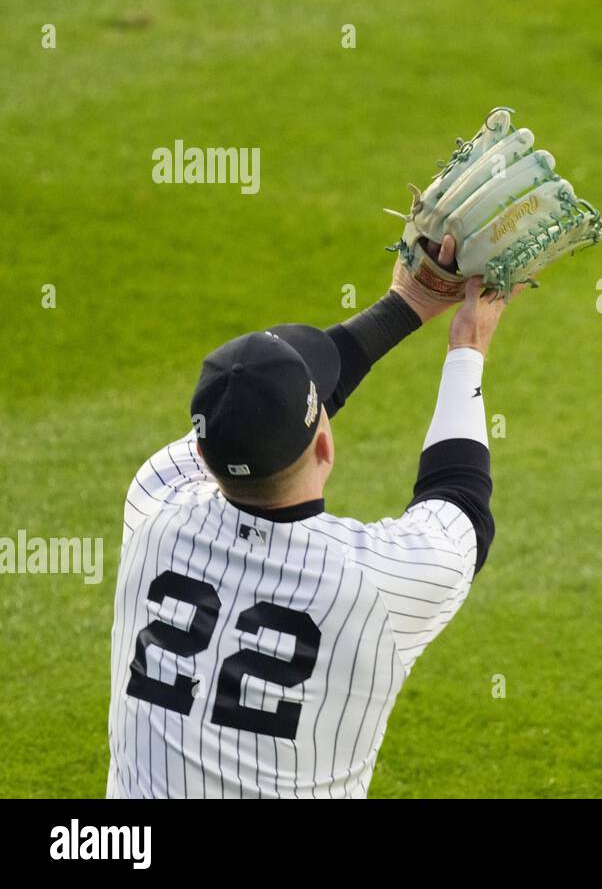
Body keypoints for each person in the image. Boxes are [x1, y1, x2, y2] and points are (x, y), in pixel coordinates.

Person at [107, 237, 516, 797]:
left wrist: (409, 302)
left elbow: (455, 497)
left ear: (201, 453)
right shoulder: (370, 586)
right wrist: (468, 342)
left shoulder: (156, 501)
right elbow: (461, 499)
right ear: (325, 447)